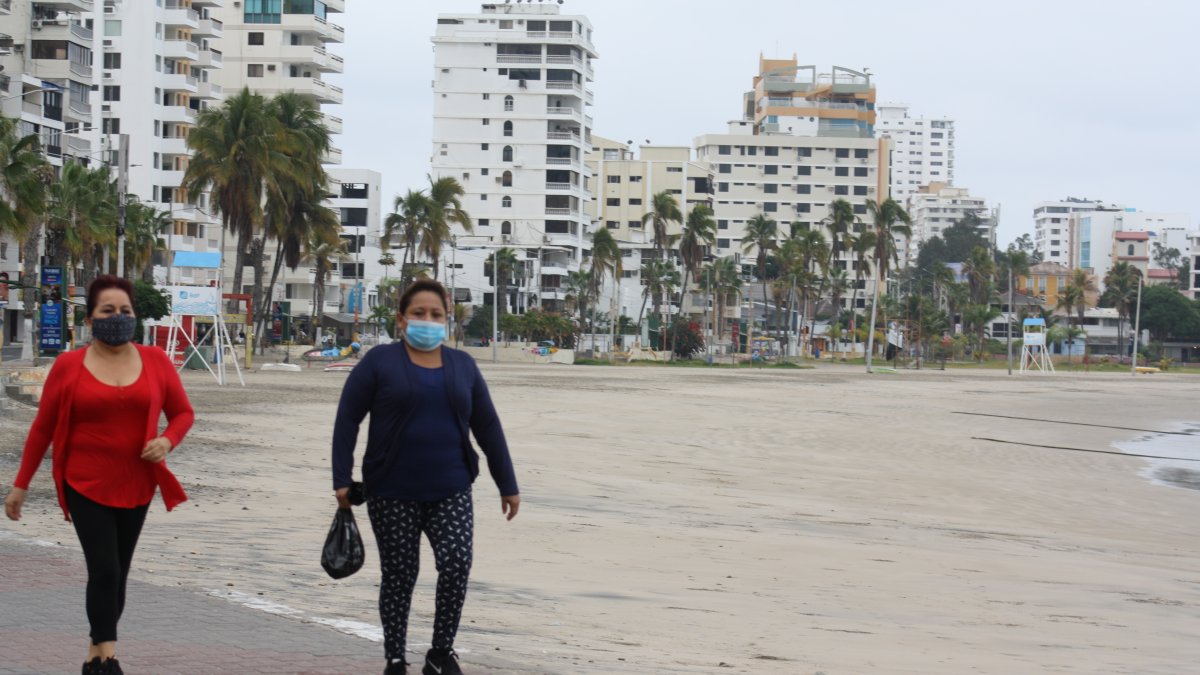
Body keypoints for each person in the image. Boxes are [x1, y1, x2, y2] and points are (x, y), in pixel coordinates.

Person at [4, 275, 195, 675]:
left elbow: (182, 413)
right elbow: (43, 427)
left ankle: (93, 654)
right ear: (91, 318)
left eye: (125, 311)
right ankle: (108, 659)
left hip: (137, 482)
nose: (118, 318)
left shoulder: (156, 361)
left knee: (119, 573)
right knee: (104, 569)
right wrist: (20, 486)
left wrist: (167, 441)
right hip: (84, 482)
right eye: (108, 311)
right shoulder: (69, 365)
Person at [332, 279, 520, 675]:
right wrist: (341, 478)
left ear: (447, 320)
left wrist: (508, 483)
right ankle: (396, 658)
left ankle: (440, 653)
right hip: (391, 491)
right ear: (401, 320)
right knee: (400, 576)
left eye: (436, 314)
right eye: (419, 313)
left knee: (456, 564)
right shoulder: (379, 362)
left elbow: (487, 426)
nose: (428, 321)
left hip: (451, 488)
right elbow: (348, 417)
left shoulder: (464, 366)